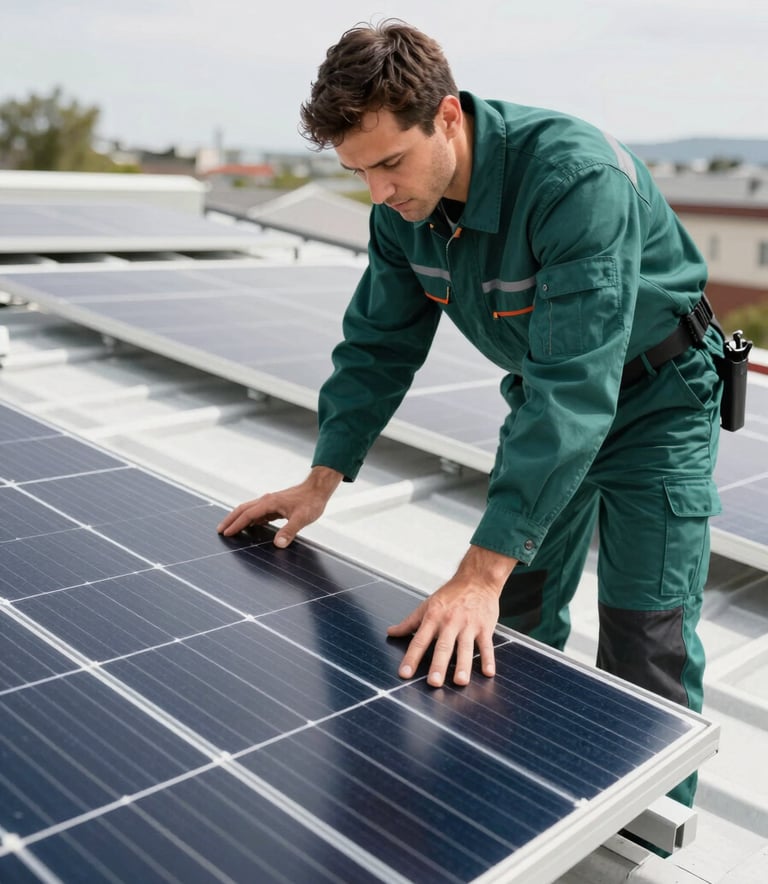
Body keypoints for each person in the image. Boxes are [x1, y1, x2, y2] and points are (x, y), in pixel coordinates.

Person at [217, 19, 723, 807]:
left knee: (643, 640)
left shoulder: (573, 181)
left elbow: (575, 387)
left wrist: (477, 571)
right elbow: (378, 345)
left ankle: (642, 840)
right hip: (547, 404)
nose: (379, 193)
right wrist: (321, 480)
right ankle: (513, 807)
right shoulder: (402, 209)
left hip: (655, 405)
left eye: (390, 163)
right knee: (509, 623)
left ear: (448, 116)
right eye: (360, 173)